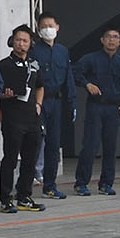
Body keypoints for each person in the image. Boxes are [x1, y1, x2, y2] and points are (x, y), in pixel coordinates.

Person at [72, 25, 120, 196]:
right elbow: (75, 72)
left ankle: (106, 183)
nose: (112, 40)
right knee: (90, 146)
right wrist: (87, 84)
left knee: (110, 147)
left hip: (113, 109)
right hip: (96, 106)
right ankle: (81, 183)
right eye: (109, 36)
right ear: (102, 40)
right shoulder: (91, 59)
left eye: (116, 37)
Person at [0, 25, 45, 214]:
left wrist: (38, 104)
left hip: (32, 117)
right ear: (12, 41)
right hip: (12, 117)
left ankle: (24, 196)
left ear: (30, 43)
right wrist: (4, 95)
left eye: (25, 40)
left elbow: (40, 86)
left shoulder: (34, 64)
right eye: (17, 40)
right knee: (10, 159)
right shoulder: (3, 65)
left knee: (30, 159)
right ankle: (5, 199)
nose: (21, 44)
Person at [32, 12, 74, 199]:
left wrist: (71, 102)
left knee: (53, 145)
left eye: (51, 25)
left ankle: (50, 185)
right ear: (39, 30)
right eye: (44, 26)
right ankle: (25, 184)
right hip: (39, 102)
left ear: (57, 27)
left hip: (57, 102)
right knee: (34, 143)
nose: (48, 29)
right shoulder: (33, 51)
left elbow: (69, 79)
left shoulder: (63, 51)